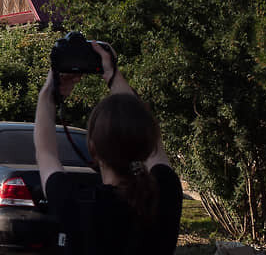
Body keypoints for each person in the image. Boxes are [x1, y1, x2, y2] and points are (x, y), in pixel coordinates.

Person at [34, 41, 183, 254]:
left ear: (92, 147)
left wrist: (49, 90)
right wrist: (112, 75)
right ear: (148, 142)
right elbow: (152, 141)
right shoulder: (164, 192)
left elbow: (45, 152)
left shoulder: (75, 203)